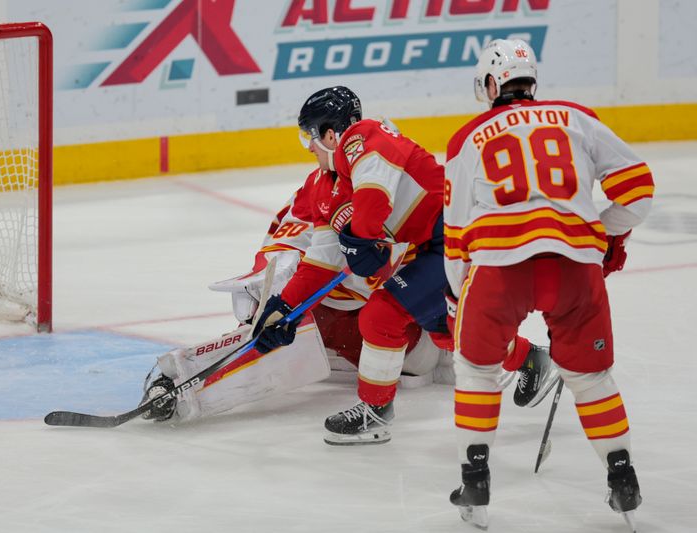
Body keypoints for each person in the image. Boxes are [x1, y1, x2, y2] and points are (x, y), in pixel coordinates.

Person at [252, 86, 552, 446]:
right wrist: (284, 309)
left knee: (383, 316)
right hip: (435, 244)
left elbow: (374, 199)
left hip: (459, 232)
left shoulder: (364, 137)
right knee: (443, 327)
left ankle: (375, 411)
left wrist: (360, 240)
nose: (310, 148)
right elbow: (322, 260)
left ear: (331, 134)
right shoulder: (327, 185)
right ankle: (529, 358)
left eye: (310, 138)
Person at [443, 39, 650, 529]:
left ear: (492, 84)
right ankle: (622, 478)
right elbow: (638, 191)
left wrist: (457, 292)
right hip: (574, 268)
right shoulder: (577, 117)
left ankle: (476, 480)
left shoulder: (467, 137)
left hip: (499, 270)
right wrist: (601, 235)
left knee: (474, 370)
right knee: (592, 377)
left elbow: (455, 235)